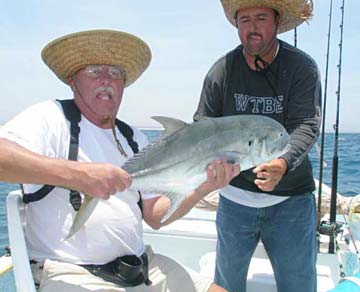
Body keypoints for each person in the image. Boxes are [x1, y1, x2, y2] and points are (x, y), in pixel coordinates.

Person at [0, 29, 240, 292]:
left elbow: (156, 217)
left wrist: (204, 186)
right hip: (72, 271)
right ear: (72, 81)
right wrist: (78, 175)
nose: (106, 80)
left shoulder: (133, 137)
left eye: (115, 73)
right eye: (94, 71)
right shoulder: (51, 117)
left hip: (142, 267)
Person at [193, 1, 321, 292]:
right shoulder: (222, 71)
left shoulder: (301, 66)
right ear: (236, 25)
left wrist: (283, 162)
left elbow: (307, 124)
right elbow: (203, 126)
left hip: (291, 202)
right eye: (244, 20)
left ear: (276, 21)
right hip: (235, 200)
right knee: (224, 286)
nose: (252, 27)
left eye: (261, 18)